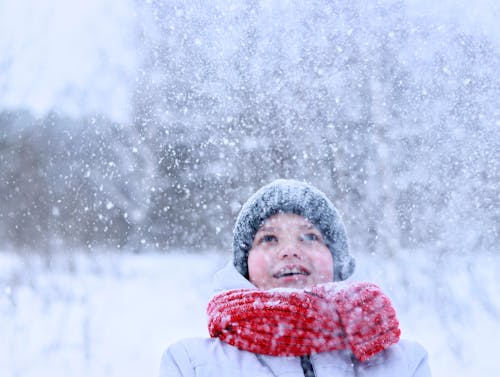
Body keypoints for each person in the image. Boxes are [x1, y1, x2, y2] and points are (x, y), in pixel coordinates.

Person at [159, 179, 431, 377]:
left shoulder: (403, 362)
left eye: (310, 236)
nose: (290, 250)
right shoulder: (190, 363)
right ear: (245, 265)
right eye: (269, 238)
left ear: (336, 260)